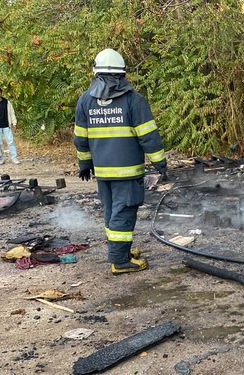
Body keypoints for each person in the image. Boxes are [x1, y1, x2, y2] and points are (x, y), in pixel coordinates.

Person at [74, 48, 167, 275]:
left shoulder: (86, 100)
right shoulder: (133, 100)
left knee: (111, 213)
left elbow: (81, 138)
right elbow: (149, 136)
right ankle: (120, 261)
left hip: (103, 173)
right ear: (122, 74)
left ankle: (121, 252)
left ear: (96, 73)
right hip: (127, 173)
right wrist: (160, 164)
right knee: (123, 213)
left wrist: (84, 164)